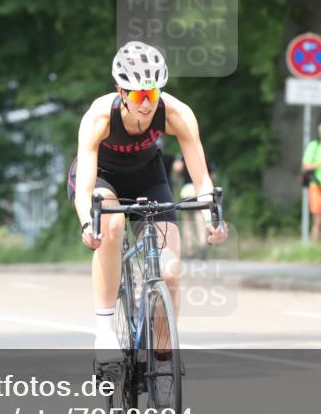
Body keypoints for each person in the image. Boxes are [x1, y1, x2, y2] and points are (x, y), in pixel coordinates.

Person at [66, 41, 228, 361]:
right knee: (111, 225)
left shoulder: (177, 114)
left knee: (171, 271)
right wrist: (88, 222)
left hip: (147, 176)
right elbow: (85, 188)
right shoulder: (99, 117)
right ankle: (104, 332)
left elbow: (202, 180)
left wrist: (213, 218)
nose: (146, 104)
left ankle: (160, 354)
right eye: (139, 95)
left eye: (152, 94)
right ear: (121, 91)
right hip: (101, 178)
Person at [172, 152, 218, 258]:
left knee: (187, 222)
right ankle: (202, 245)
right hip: (200, 190)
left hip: (187, 190)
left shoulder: (183, 155)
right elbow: (213, 176)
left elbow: (177, 170)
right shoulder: (205, 157)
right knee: (200, 220)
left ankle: (189, 250)